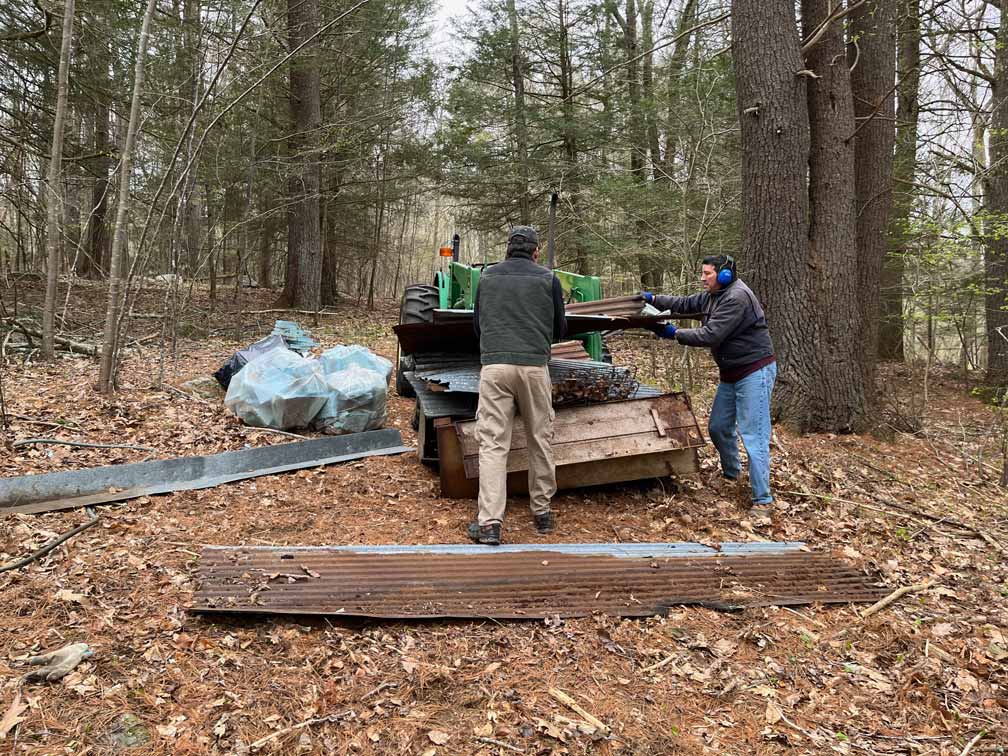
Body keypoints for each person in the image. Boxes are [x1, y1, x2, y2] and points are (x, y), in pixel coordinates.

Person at [642, 255, 778, 513]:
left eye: (708, 274)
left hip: (754, 371)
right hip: (731, 372)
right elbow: (685, 303)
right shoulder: (713, 294)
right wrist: (653, 300)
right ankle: (732, 474)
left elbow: (710, 334)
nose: (702, 278)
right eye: (702, 273)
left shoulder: (736, 297)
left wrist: (673, 333)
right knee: (718, 427)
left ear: (725, 275)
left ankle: (763, 500)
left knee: (754, 435)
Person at [467, 225, 567, 545]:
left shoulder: (486, 278)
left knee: (494, 444)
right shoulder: (549, 279)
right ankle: (542, 514)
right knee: (540, 438)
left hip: (494, 367)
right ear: (536, 251)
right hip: (535, 368)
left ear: (508, 249)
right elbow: (560, 328)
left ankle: (490, 524)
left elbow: (477, 326)